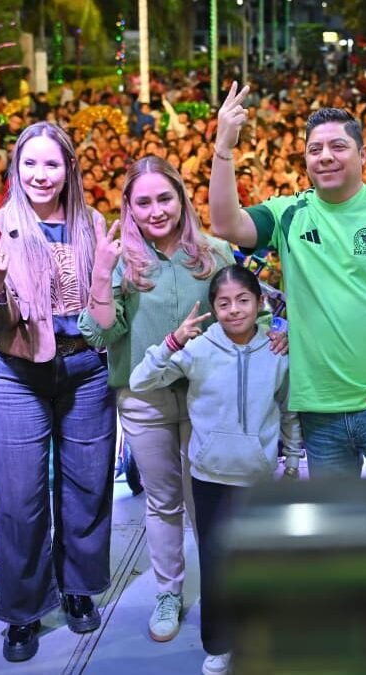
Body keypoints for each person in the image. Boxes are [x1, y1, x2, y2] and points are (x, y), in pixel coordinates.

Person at [209, 83, 366, 670]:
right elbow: (226, 224)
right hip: (321, 411)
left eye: (338, 146)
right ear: (305, 159)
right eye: (315, 148)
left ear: (363, 154)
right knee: (339, 527)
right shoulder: (290, 215)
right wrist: (223, 145)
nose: (326, 156)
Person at [0, 121, 116, 663]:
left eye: (51, 163)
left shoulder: (92, 225)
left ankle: (78, 587)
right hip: (17, 375)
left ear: (69, 169)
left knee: (87, 486)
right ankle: (24, 609)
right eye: (30, 163)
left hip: (85, 368)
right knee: (20, 499)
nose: (40, 174)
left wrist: (107, 274)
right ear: (16, 168)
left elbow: (105, 311)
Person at [78, 156, 233, 642]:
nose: (156, 210)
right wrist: (102, 275)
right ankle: (168, 591)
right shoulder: (121, 262)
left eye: (164, 198)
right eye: (143, 202)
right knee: (164, 502)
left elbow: (243, 320)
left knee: (205, 502)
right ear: (128, 207)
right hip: (144, 401)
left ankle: (223, 595)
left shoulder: (215, 255)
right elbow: (100, 335)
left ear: (182, 199)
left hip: (206, 400)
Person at [129, 265, 302, 675]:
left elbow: (289, 408)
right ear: (213, 308)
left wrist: (292, 458)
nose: (234, 310)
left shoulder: (276, 351)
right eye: (223, 303)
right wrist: (172, 341)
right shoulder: (198, 349)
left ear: (260, 303)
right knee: (216, 561)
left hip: (257, 476)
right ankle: (220, 643)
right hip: (209, 476)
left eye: (243, 300)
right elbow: (140, 381)